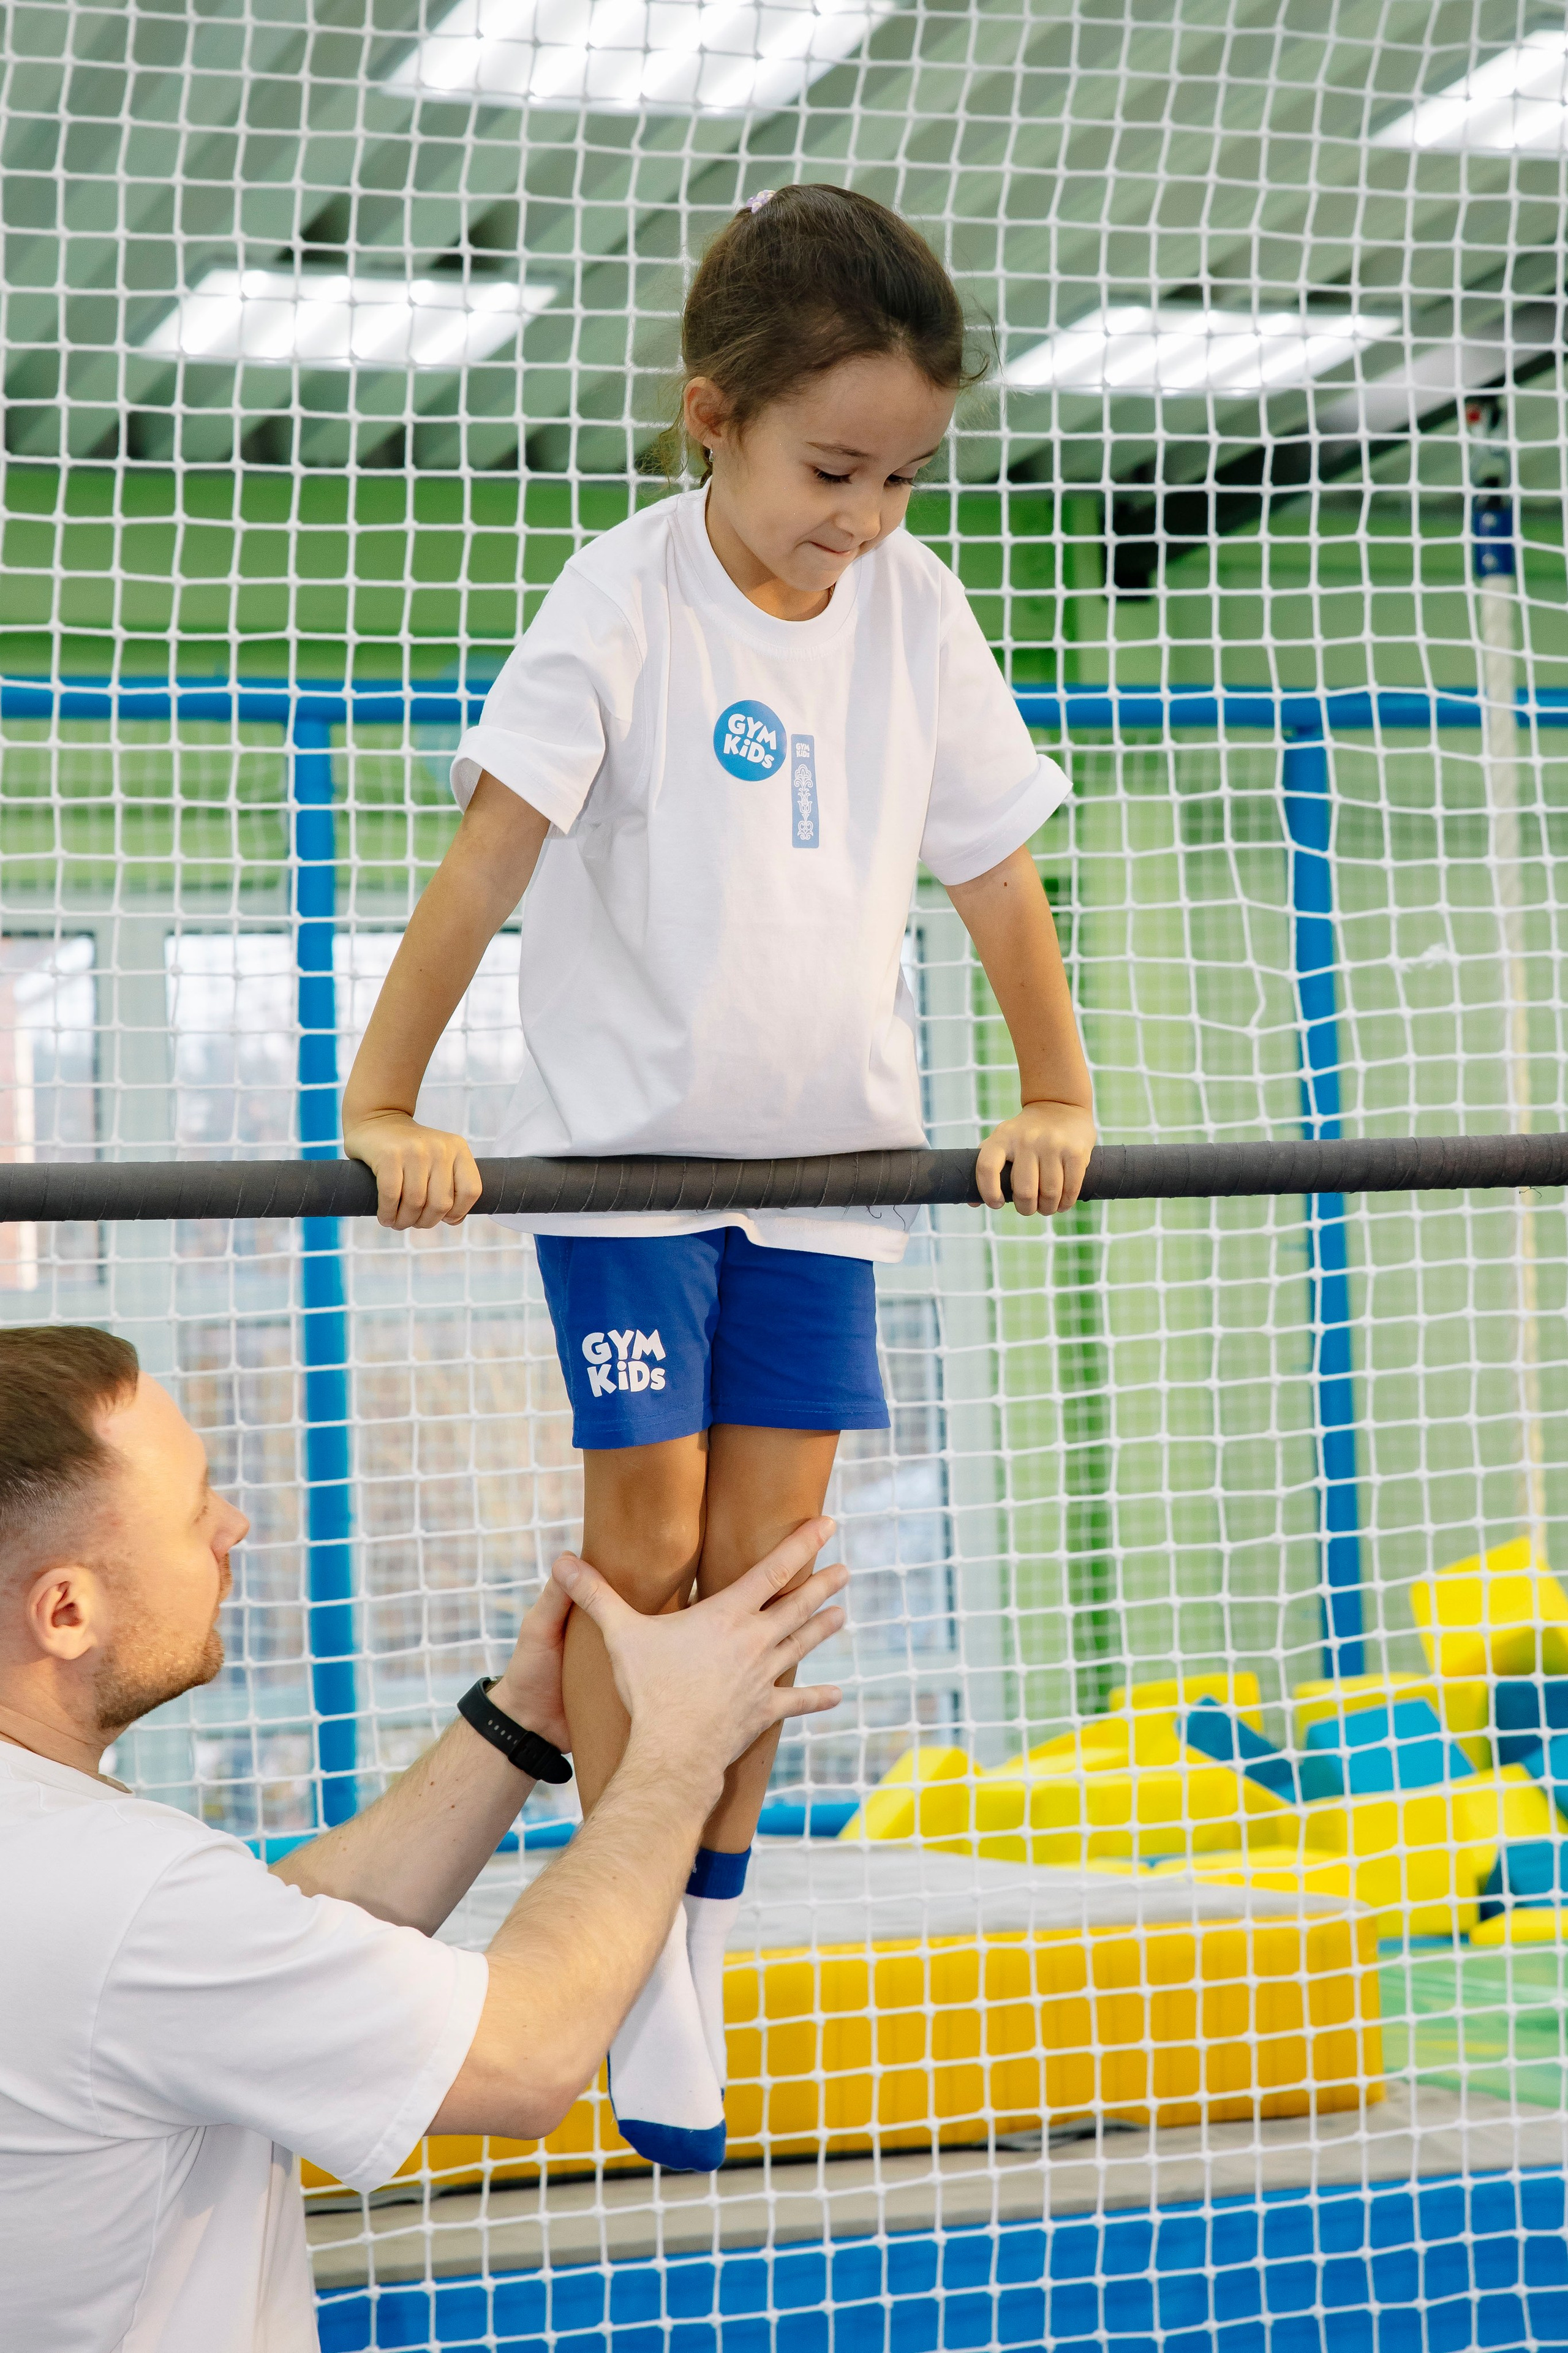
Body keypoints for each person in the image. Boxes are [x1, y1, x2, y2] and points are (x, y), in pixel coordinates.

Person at [341, 179, 1095, 2170]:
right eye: (830, 468)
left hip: (833, 1171)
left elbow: (995, 867)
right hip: (630, 1172)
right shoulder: (622, 598)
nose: (863, 518)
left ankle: (709, 1922)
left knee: (762, 1576)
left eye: (905, 478)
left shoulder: (914, 608)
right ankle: (638, 1937)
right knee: (650, 1534)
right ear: (712, 417)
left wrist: (1057, 1089)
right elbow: (489, 860)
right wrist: (389, 1098)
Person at [0, 1324, 847, 2351]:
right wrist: (679, 1746)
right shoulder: (113, 1899)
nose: (235, 1523)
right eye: (193, 1514)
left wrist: (521, 1717)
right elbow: (529, 2056)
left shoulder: (63, 1860)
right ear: (66, 1609)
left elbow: (262, 1944)